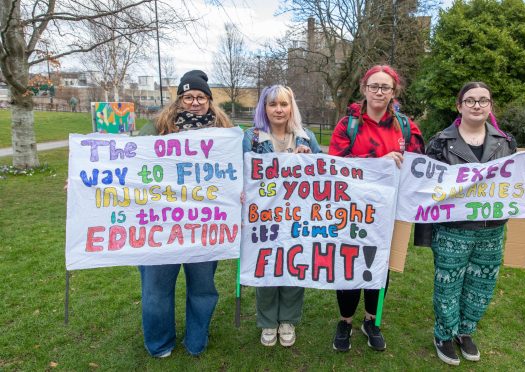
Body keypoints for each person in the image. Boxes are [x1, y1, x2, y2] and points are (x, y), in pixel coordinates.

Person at [425, 82, 525, 366]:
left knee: (482, 283)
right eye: (470, 100)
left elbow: (514, 181)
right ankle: (443, 333)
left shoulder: (505, 143)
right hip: (454, 229)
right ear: (459, 106)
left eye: (483, 100)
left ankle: (465, 331)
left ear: (490, 106)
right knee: (448, 283)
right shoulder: (441, 142)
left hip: (492, 229)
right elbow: (424, 185)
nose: (476, 105)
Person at [328, 65, 425, 352]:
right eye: (374, 86)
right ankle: (345, 321)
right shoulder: (348, 125)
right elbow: (336, 166)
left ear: (394, 92)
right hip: (352, 210)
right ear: (364, 88)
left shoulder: (406, 127)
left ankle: (372, 320)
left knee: (379, 265)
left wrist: (402, 161)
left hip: (390, 212)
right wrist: (382, 160)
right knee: (349, 263)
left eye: (385, 87)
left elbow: (420, 167)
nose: (379, 92)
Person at [138, 70, 233, 358]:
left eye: (200, 97)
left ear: (209, 100)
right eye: (188, 96)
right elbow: (126, 162)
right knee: (155, 288)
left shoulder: (225, 132)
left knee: (203, 287)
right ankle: (159, 343)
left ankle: (196, 339)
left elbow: (239, 170)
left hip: (205, 226)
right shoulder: (154, 128)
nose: (194, 102)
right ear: (179, 99)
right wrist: (85, 179)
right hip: (160, 224)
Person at [242, 85, 322, 347]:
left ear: (291, 107)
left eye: (284, 104)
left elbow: (324, 175)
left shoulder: (306, 137)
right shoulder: (252, 138)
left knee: (294, 265)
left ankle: (287, 319)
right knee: (265, 266)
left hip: (297, 216)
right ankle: (267, 322)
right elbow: (241, 172)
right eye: (273, 104)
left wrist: (310, 160)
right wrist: (243, 190)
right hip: (263, 217)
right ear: (264, 108)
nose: (278, 109)